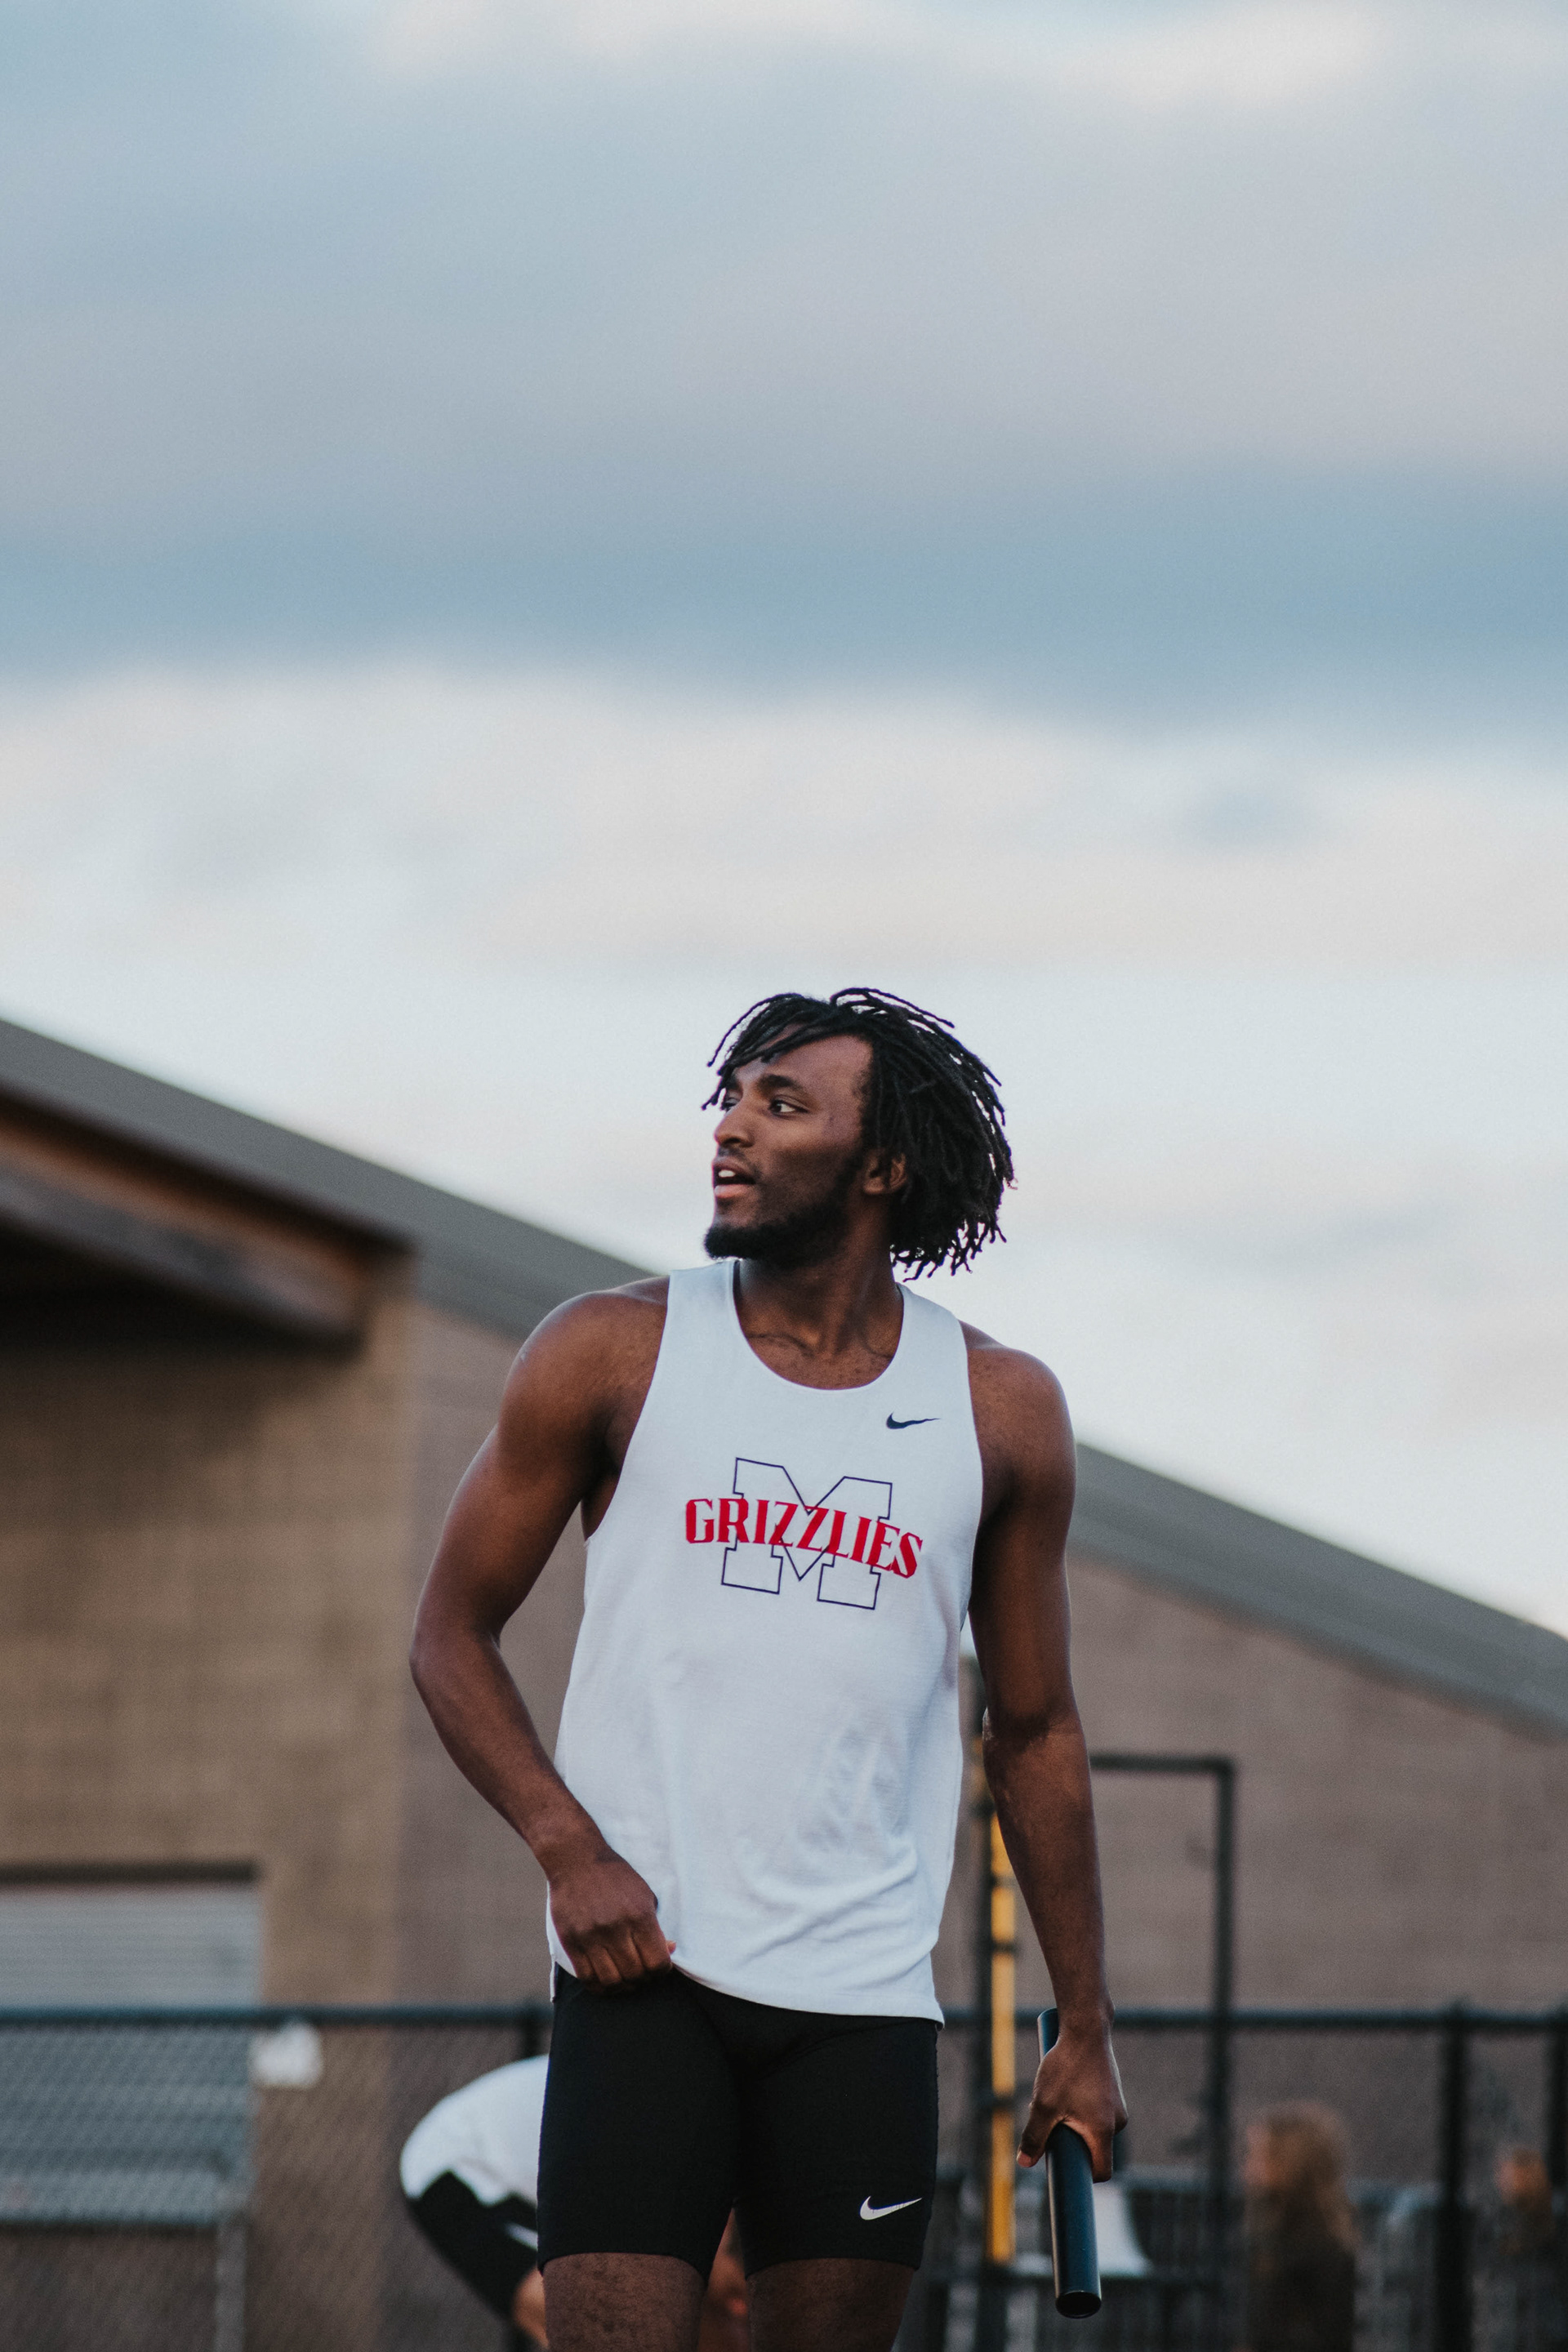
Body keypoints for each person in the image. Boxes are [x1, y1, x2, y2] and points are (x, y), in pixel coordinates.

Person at [411, 987, 1127, 2352]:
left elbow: (1035, 1730)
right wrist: (570, 1852)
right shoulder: (610, 1350)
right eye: (731, 1099)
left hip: (860, 2006)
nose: (731, 1129)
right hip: (644, 1982)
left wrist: (1083, 2025)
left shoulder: (1000, 1409)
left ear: (883, 1163)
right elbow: (449, 1632)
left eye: (781, 1105)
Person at [400, 2054, 749, 2352]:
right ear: (724, 2227)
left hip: (570, 2160)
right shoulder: (665, 2159)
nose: (740, 2309)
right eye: (737, 2294)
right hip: (462, 2164)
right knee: (594, 2327)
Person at [1240, 2105, 1356, 2352]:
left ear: (1290, 2164)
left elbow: (1325, 2336)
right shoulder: (1271, 2232)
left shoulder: (1320, 2246)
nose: (1247, 2170)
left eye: (1259, 2157)